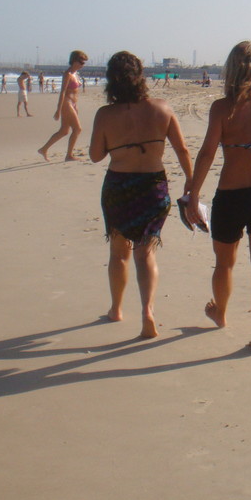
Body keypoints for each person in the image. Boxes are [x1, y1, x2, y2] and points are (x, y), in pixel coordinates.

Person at [185, 41, 251, 349]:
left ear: (232, 68)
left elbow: (207, 153)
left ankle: (220, 313)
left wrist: (193, 193)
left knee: (224, 263)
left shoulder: (222, 108)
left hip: (231, 196)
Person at [89, 51, 193, 339]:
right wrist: (191, 183)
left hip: (119, 186)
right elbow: (183, 150)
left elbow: (96, 156)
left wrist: (119, 143)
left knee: (118, 253)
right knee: (145, 253)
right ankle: (148, 311)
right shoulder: (162, 109)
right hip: (153, 186)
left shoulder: (105, 114)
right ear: (141, 77)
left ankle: (116, 309)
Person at [38, 50, 88, 161]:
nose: (83, 65)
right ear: (75, 61)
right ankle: (69, 155)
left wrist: (76, 106)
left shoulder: (75, 74)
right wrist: (58, 109)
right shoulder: (68, 74)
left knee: (64, 131)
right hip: (66, 103)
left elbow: (75, 91)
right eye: (81, 62)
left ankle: (44, 149)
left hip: (73, 103)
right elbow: (63, 92)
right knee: (77, 129)